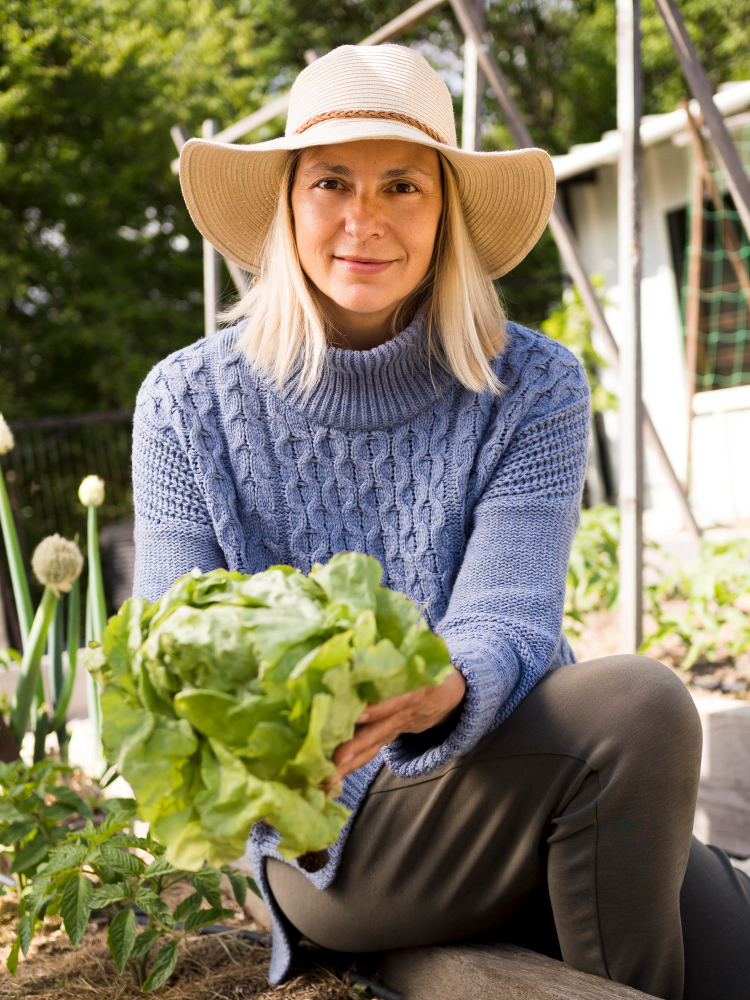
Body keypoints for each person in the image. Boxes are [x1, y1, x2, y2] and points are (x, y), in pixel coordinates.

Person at [132, 43, 750, 1000]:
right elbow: (166, 655)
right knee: (643, 704)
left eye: (404, 186)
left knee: (734, 946)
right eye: (331, 180)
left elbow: (510, 613)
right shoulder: (185, 404)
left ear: (445, 212)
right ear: (289, 202)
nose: (363, 218)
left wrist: (442, 686)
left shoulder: (530, 385)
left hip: (502, 777)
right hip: (323, 841)